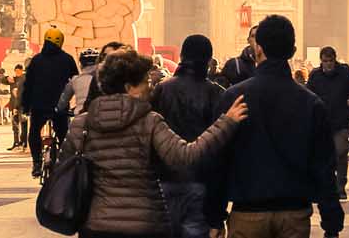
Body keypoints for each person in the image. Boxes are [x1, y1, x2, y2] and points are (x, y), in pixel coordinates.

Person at [70, 50, 245, 238]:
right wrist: (226, 122)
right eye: (146, 81)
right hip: (142, 225)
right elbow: (185, 156)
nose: (151, 87)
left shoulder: (81, 124)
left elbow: (66, 171)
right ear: (129, 88)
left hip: (94, 224)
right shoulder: (149, 122)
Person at [210, 15, 344, 238]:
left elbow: (219, 160)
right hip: (294, 214)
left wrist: (215, 215)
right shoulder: (311, 103)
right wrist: (331, 221)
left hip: (247, 213)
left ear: (258, 49)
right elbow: (324, 166)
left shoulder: (234, 98)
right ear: (292, 51)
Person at [150, 35, 224, 238]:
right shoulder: (216, 94)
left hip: (163, 180)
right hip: (200, 183)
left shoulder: (162, 89)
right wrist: (217, 213)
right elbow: (220, 151)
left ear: (181, 57)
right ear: (209, 60)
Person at [19, 30, 78, 180]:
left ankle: (37, 163)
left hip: (39, 105)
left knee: (34, 133)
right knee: (64, 135)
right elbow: (75, 82)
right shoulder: (67, 59)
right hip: (59, 106)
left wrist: (25, 106)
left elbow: (28, 86)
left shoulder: (36, 60)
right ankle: (65, 164)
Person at [304, 47, 349, 199]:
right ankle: (326, 185)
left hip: (341, 122)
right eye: (325, 61)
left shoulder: (345, 72)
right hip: (322, 122)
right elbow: (308, 97)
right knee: (322, 156)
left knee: (340, 154)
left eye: (330, 61)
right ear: (321, 61)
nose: (328, 64)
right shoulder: (315, 75)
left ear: (335, 60)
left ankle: (340, 185)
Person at [5, 66, 27, 149]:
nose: (17, 72)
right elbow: (2, 80)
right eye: (16, 71)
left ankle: (23, 142)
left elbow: (20, 95)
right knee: (15, 125)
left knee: (23, 124)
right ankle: (16, 142)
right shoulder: (13, 79)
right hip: (14, 104)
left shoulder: (23, 79)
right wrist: (7, 77)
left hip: (21, 106)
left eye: (19, 71)